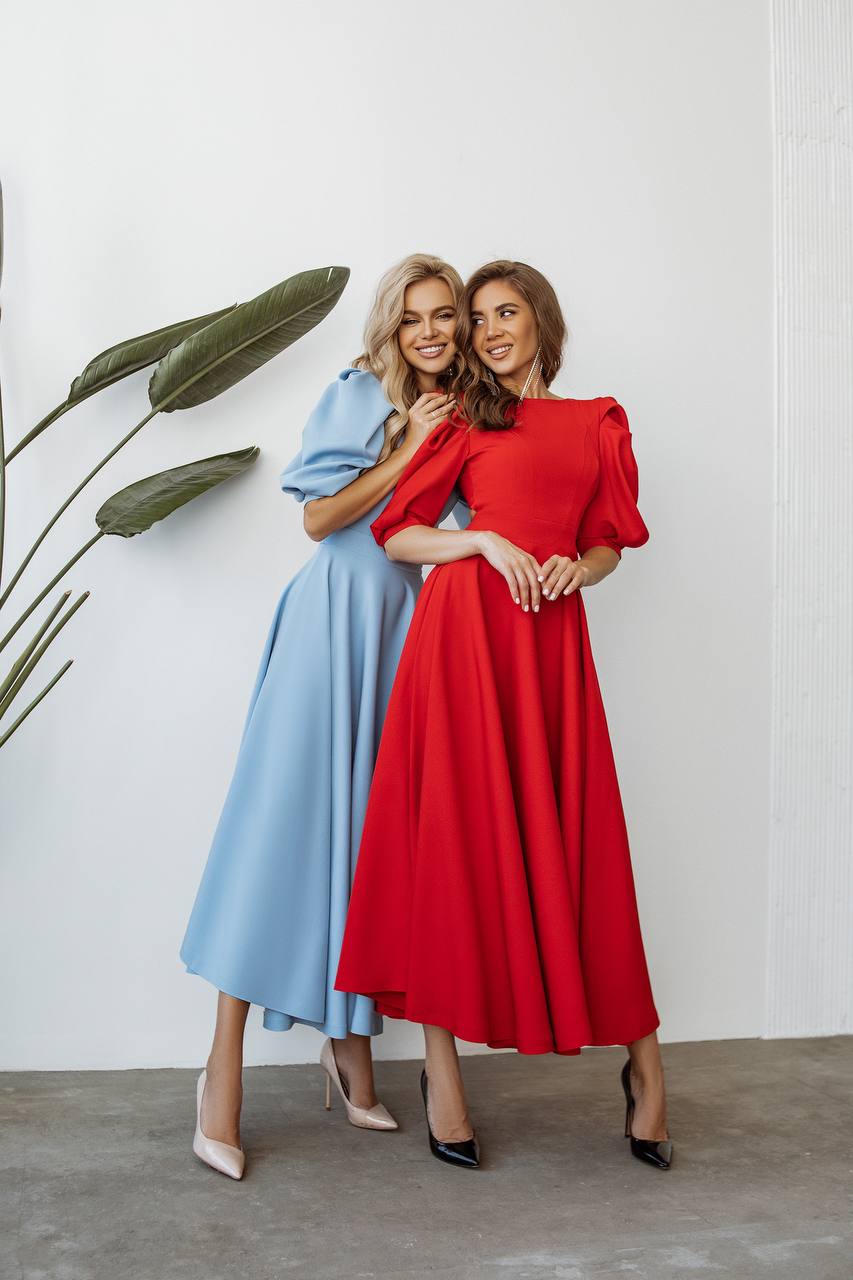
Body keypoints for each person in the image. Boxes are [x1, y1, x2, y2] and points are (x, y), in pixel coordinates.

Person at [335, 260, 672, 1172]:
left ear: (538, 322)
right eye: (477, 317)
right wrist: (481, 538)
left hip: (549, 646)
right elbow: (396, 530)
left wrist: (580, 569)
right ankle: (442, 1074)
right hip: (461, 646)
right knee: (455, 846)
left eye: (504, 312)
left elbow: (607, 538)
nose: (487, 330)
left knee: (582, 842)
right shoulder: (466, 423)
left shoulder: (595, 421)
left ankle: (644, 1067)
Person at [181, 253, 469, 1179]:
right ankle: (219, 1071)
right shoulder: (360, 394)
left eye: (446, 318)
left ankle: (347, 1051)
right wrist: (408, 452)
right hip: (329, 623)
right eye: (416, 317)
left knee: (370, 846)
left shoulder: (458, 409)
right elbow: (318, 521)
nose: (432, 332)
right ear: (392, 325)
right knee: (281, 833)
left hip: (400, 635)